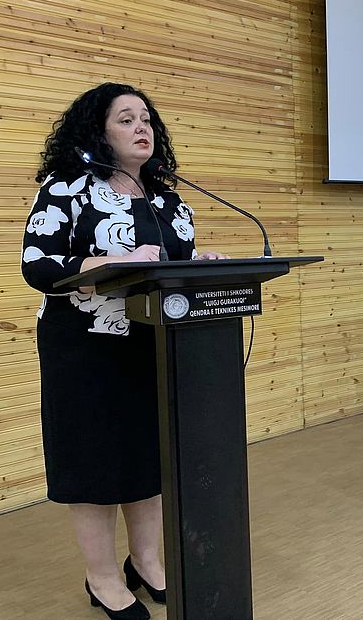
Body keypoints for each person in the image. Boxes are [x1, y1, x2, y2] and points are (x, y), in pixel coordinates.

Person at [21, 83, 226, 619]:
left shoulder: (168, 200)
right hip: (83, 348)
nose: (142, 128)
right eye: (126, 119)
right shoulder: (67, 189)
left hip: (152, 342)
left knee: (147, 455)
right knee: (94, 460)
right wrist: (106, 262)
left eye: (147, 119)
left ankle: (146, 561)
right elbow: (38, 265)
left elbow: (167, 267)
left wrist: (199, 266)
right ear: (99, 132)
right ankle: (103, 577)